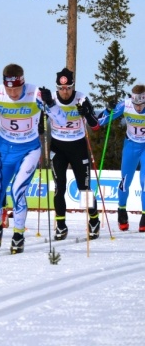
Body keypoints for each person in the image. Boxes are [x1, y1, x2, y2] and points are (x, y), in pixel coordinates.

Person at [0, 64, 64, 253]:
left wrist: (50, 104)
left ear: (23, 82)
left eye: (16, 88)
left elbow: (61, 121)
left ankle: (18, 234)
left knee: (17, 191)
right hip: (3, 150)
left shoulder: (35, 93)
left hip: (29, 150)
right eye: (9, 88)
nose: (12, 93)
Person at [46, 68, 100, 240]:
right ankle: (60, 225)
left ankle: (93, 219)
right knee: (59, 188)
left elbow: (95, 125)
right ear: (57, 88)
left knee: (84, 188)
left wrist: (87, 114)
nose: (65, 91)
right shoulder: (51, 99)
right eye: (61, 88)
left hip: (78, 147)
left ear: (72, 86)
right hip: (58, 147)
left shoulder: (81, 98)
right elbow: (38, 119)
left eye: (68, 87)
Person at [95, 83, 145, 232]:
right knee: (124, 182)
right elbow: (99, 121)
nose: (138, 108)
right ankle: (122, 210)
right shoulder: (125, 105)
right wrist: (108, 109)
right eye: (136, 104)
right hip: (131, 145)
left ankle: (144, 216)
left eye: (141, 105)